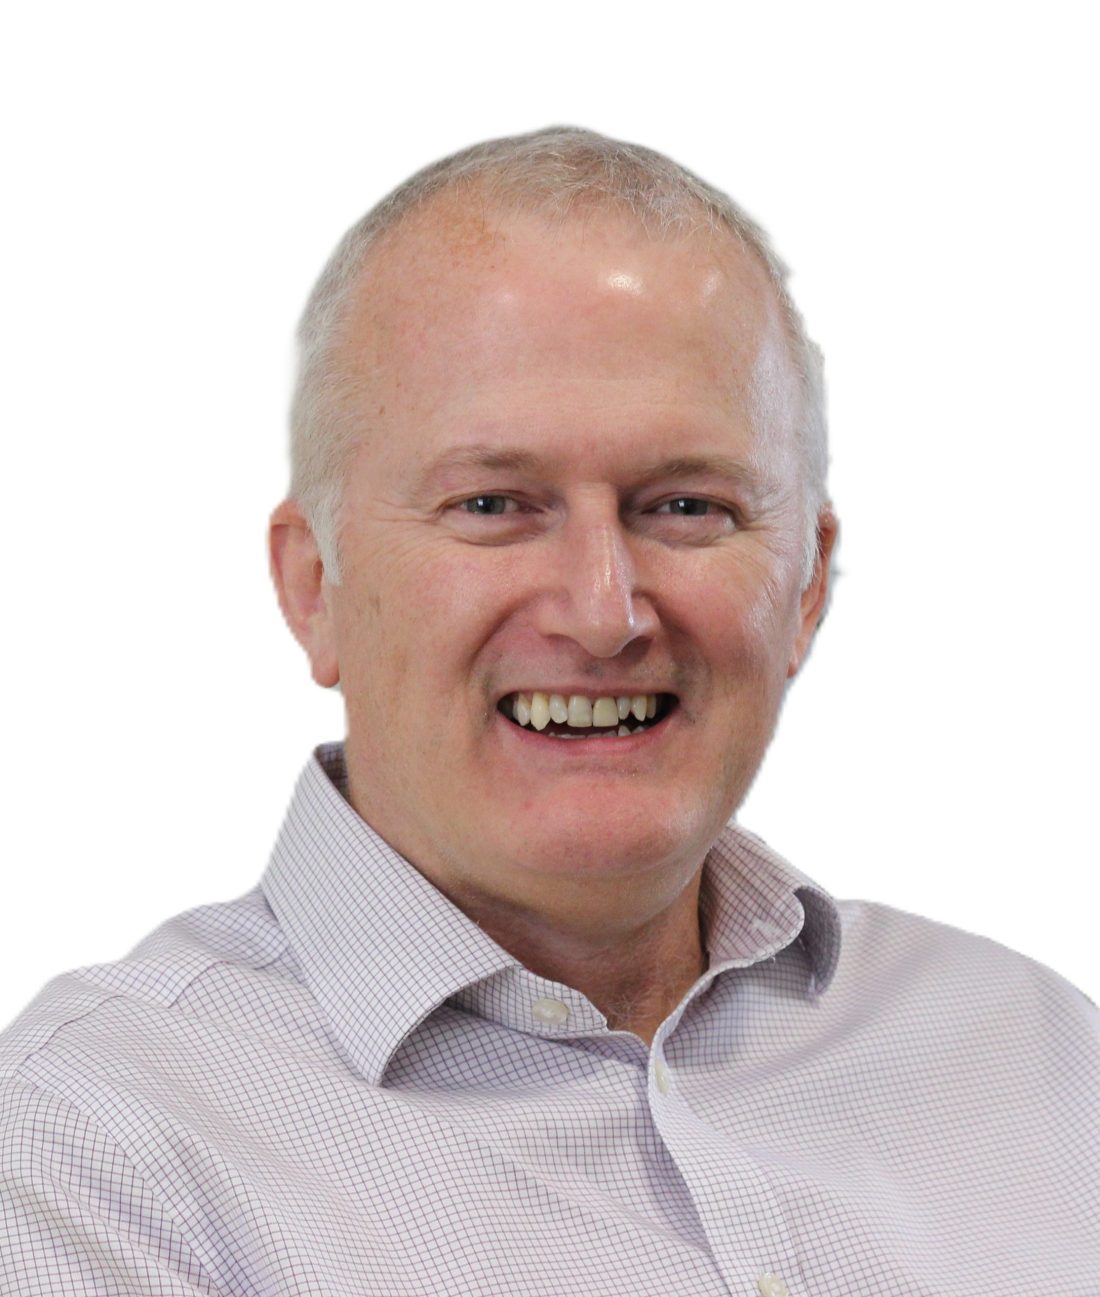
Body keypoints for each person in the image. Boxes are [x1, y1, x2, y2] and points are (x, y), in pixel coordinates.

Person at [1, 126, 1096, 1297]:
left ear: (806, 586)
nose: (603, 609)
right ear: (311, 584)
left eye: (685, 505)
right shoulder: (92, 1152)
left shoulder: (1032, 1052)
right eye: (492, 503)